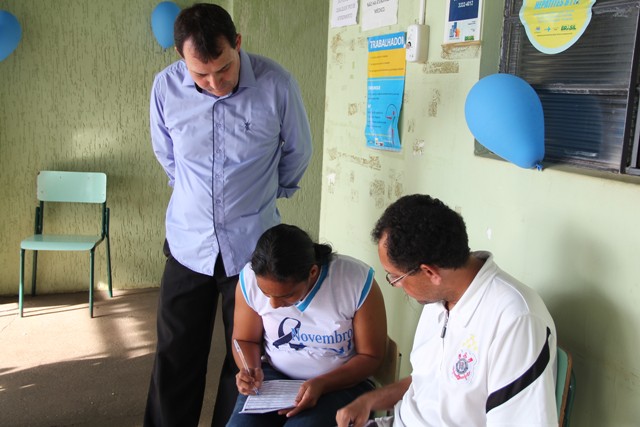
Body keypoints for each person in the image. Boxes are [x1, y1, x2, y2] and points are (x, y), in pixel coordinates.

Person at [144, 3, 313, 426]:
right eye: (200, 75)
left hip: (251, 248)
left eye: (223, 68)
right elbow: (167, 156)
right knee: (175, 353)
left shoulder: (277, 85)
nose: (215, 83)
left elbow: (297, 152)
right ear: (181, 58)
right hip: (188, 243)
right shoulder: (165, 88)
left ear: (237, 44)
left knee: (247, 355)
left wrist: (266, 195)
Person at [336, 194, 558, 427]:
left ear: (430, 272)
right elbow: (427, 381)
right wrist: (369, 401)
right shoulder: (440, 298)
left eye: (396, 277)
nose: (396, 285)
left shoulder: (515, 320)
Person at [227, 224, 387, 427]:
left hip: (341, 384)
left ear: (312, 272)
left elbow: (371, 357)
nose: (274, 305)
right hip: (274, 378)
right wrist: (250, 369)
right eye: (266, 294)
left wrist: (322, 384)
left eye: (286, 295)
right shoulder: (249, 279)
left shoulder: (354, 281)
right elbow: (244, 339)